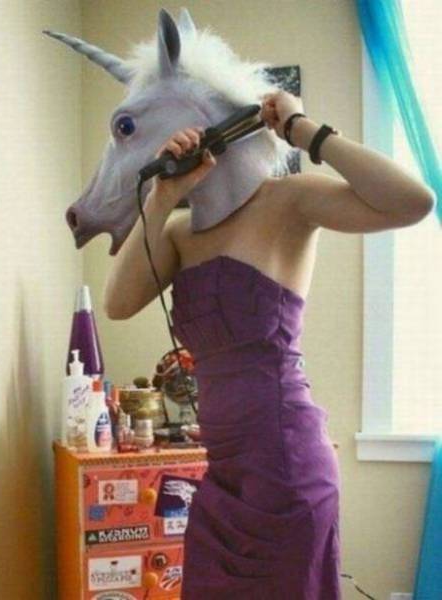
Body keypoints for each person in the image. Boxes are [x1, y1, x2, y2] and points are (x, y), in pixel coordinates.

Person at [103, 89, 434, 598]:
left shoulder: (290, 200)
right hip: (223, 478)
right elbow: (118, 303)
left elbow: (413, 201)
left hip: (287, 469)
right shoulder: (179, 234)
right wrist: (162, 197)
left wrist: (303, 129)